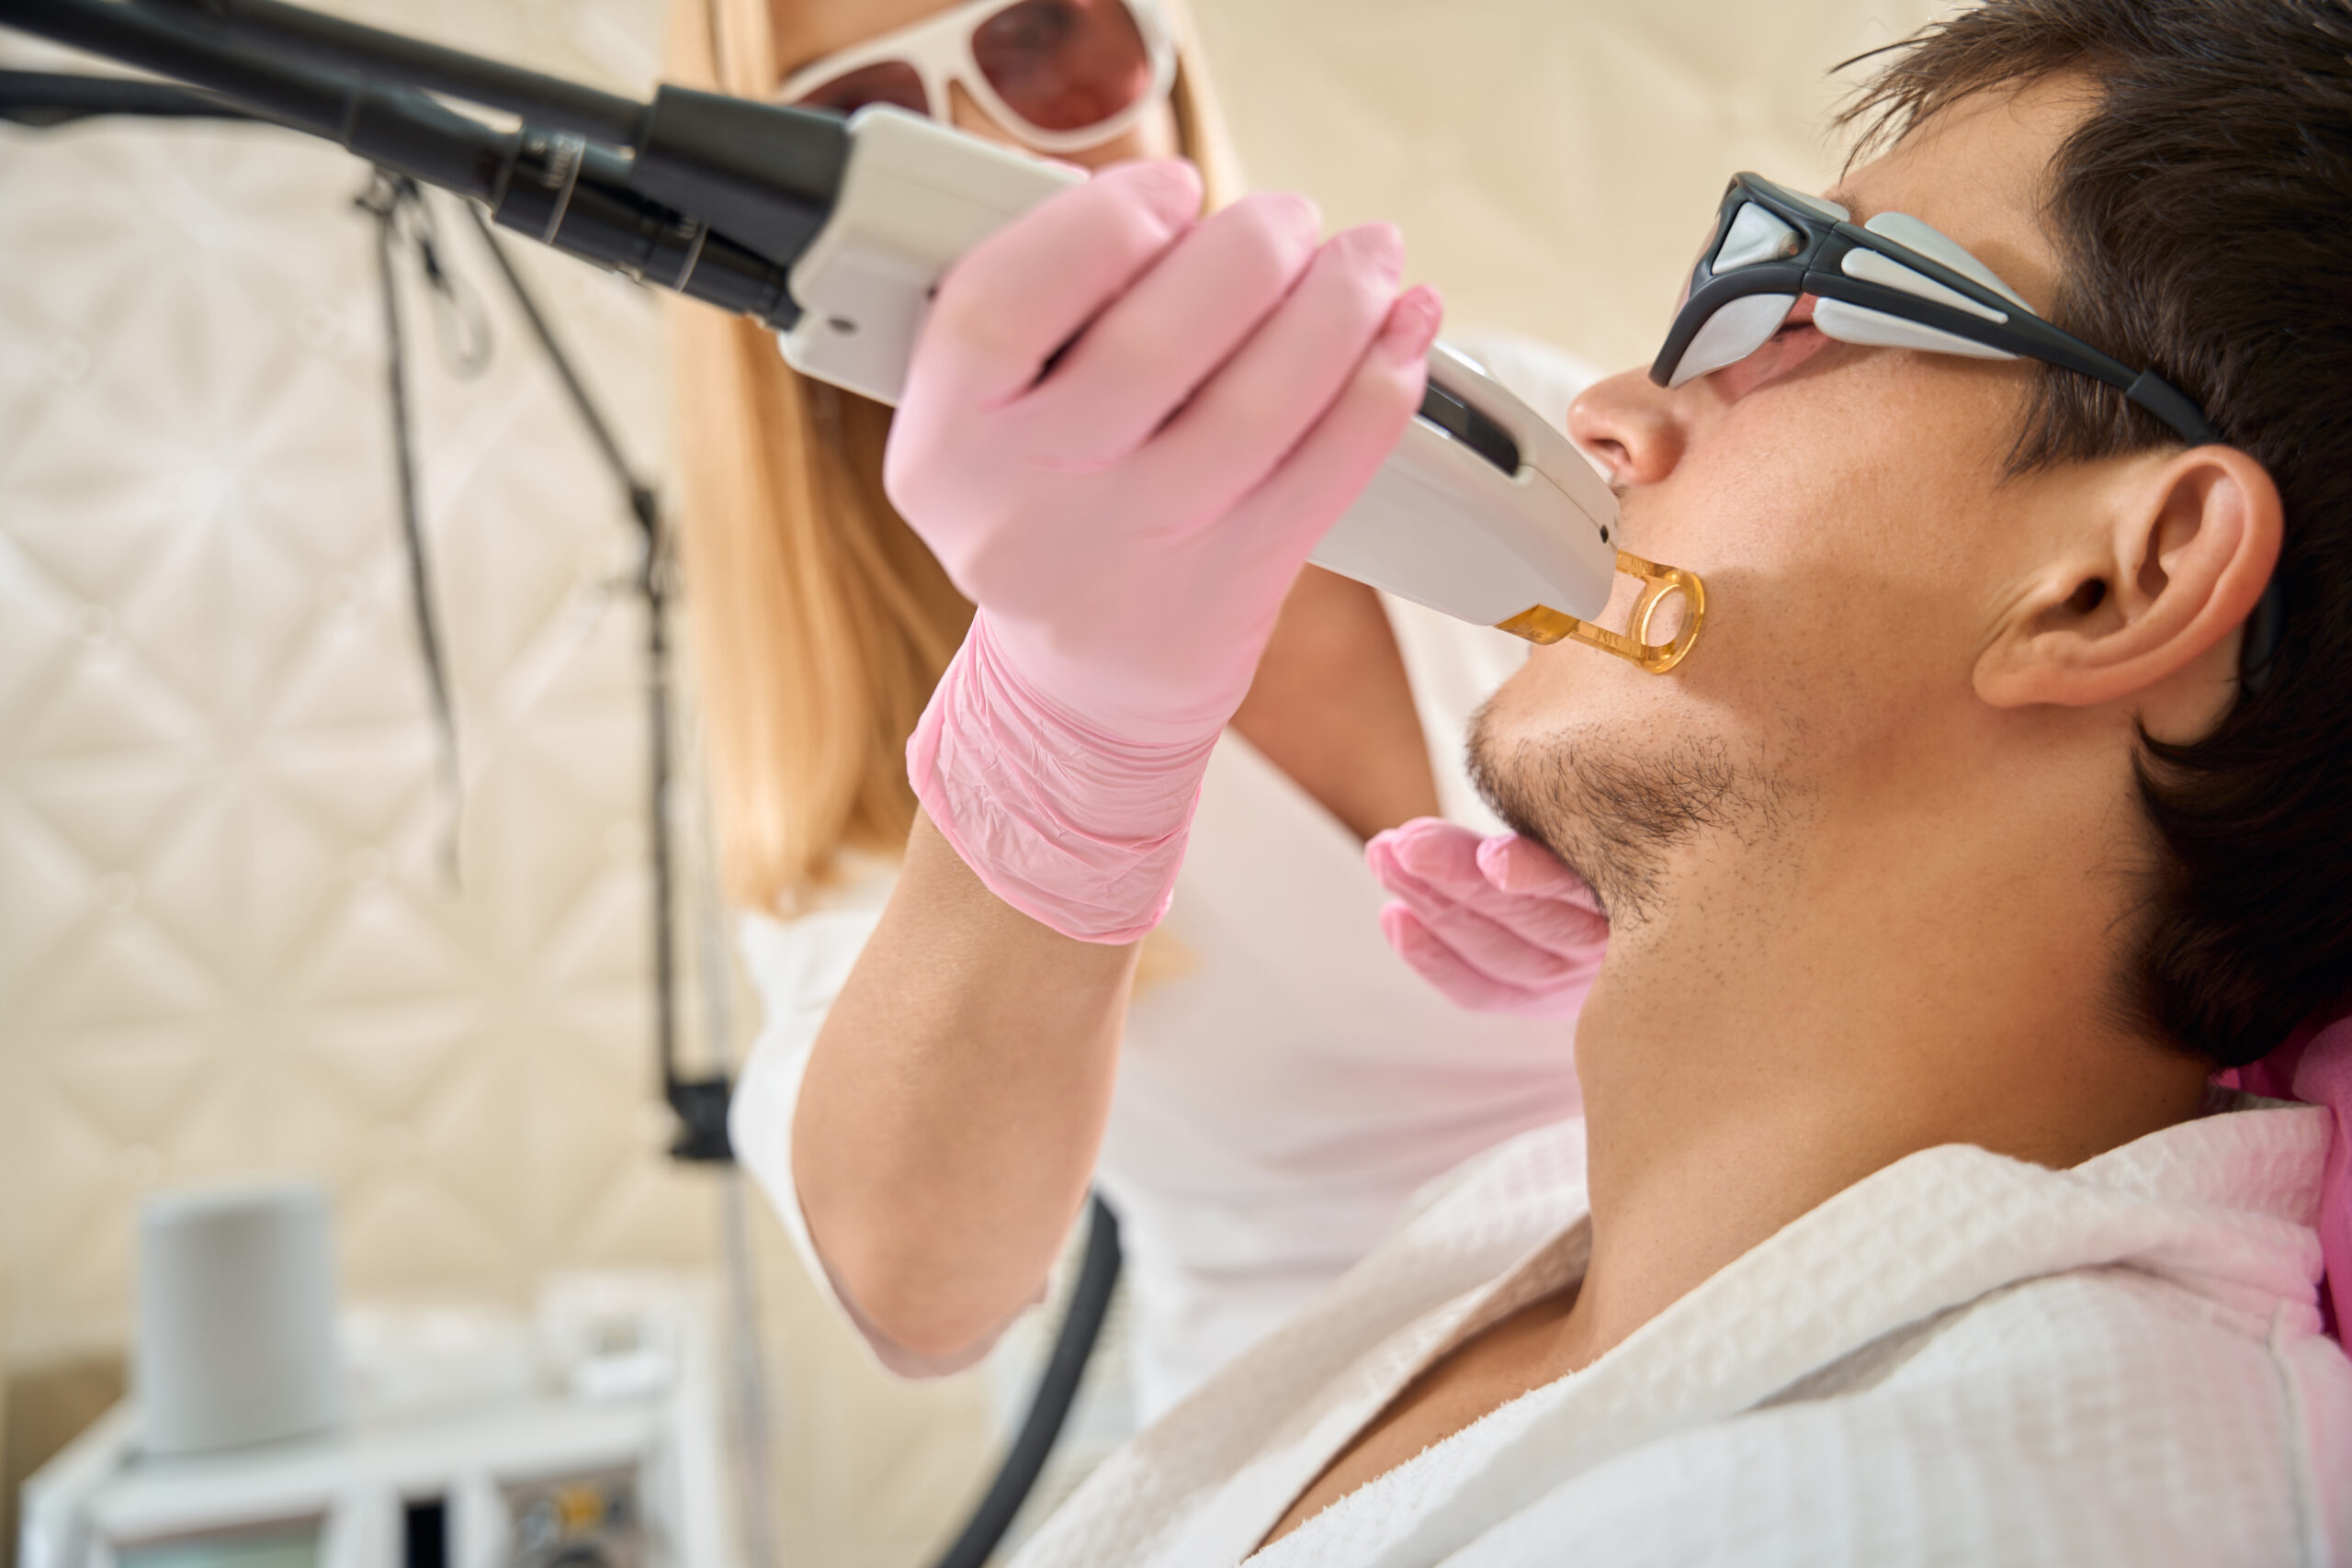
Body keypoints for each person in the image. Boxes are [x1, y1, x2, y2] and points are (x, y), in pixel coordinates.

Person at [789, 0, 2352, 1558]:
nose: (1605, 411)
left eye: (1804, 312)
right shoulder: (1520, 1260)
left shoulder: (1970, 1501)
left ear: (2117, 584)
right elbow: (907, 1272)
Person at [662, 0, 1597, 1420]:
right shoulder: (848, 701)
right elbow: (918, 1290)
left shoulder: (1531, 442)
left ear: (1166, 65)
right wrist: (1065, 712)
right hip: (1318, 1444)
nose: (984, 161)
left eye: (1045, 43)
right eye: (867, 122)